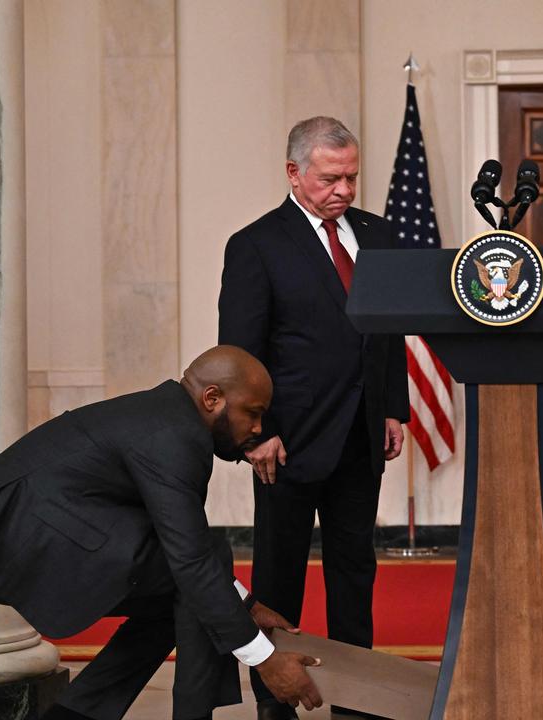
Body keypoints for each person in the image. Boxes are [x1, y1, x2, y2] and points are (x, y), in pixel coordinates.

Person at [0, 346, 324, 720]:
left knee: (185, 589)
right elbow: (190, 559)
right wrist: (266, 659)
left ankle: (76, 714)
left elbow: (181, 553)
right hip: (14, 539)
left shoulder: (168, 417)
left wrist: (248, 607)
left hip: (14, 531)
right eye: (252, 413)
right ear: (212, 398)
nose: (258, 428)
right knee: (198, 568)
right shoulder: (174, 435)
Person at [217, 116, 409, 720]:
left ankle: (358, 700)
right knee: (280, 581)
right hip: (287, 445)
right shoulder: (255, 245)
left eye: (352, 176)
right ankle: (277, 705)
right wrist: (254, 435)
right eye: (331, 178)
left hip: (360, 437)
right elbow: (238, 355)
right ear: (294, 173)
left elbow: (387, 333)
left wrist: (393, 408)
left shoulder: (377, 237)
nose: (345, 190)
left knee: (356, 572)